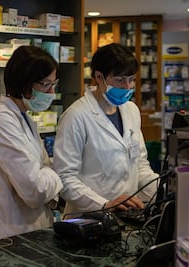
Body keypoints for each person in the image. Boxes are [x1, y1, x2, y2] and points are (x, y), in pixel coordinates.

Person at [53, 43, 159, 217]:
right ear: (99, 77)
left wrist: (162, 192)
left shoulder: (131, 110)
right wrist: (105, 204)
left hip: (128, 215)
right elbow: (65, 178)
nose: (127, 87)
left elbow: (139, 164)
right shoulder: (76, 116)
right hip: (88, 217)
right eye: (119, 80)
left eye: (131, 79)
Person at [0, 45, 63, 242]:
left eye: (54, 84)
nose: (51, 92)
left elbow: (40, 177)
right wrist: (55, 174)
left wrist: (46, 173)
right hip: (10, 236)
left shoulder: (24, 118)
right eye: (46, 85)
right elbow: (34, 191)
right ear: (25, 84)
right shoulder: (0, 120)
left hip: (34, 231)